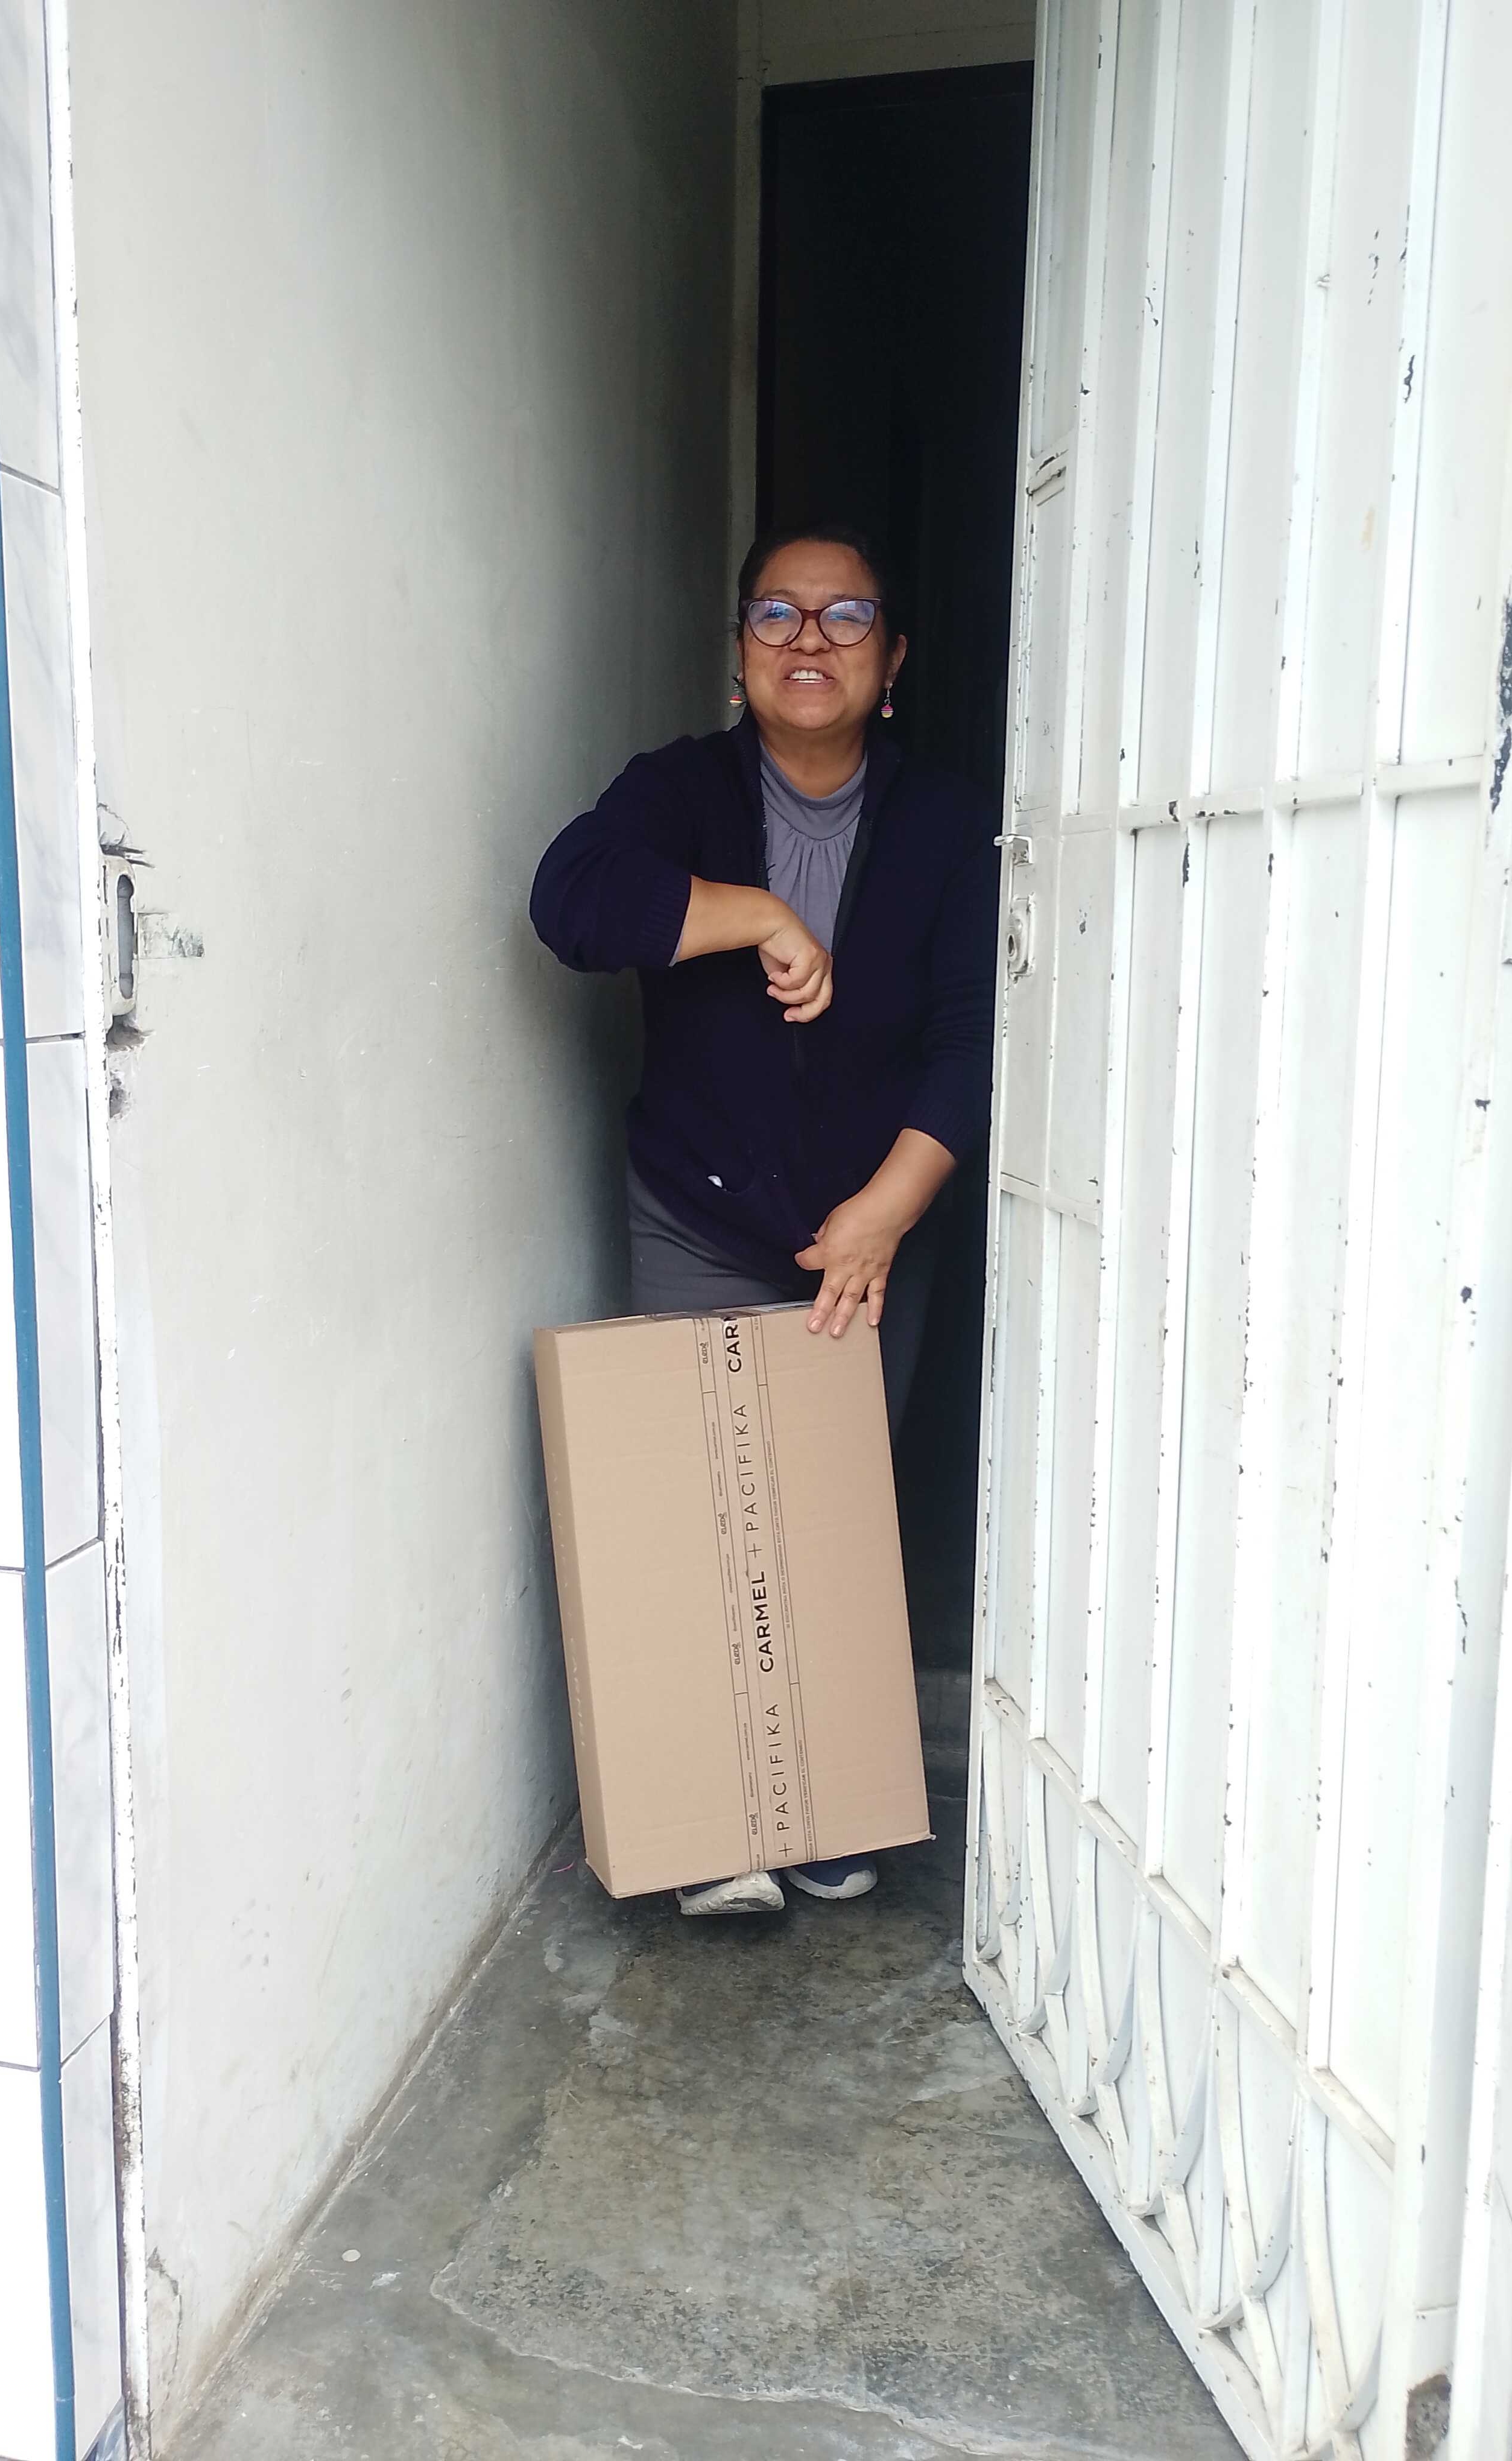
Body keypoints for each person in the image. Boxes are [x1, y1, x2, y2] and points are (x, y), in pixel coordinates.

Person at [531, 523, 998, 1918]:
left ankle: (825, 1805)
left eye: (846, 617)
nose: (808, 639)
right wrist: (753, 914)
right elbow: (571, 900)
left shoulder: (944, 823)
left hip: (872, 1218)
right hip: (701, 1202)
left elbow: (973, 1034)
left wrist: (888, 1211)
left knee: (830, 1514)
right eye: (777, 614)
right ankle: (713, 1817)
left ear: (894, 661)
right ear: (739, 651)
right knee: (699, 1512)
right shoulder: (679, 790)